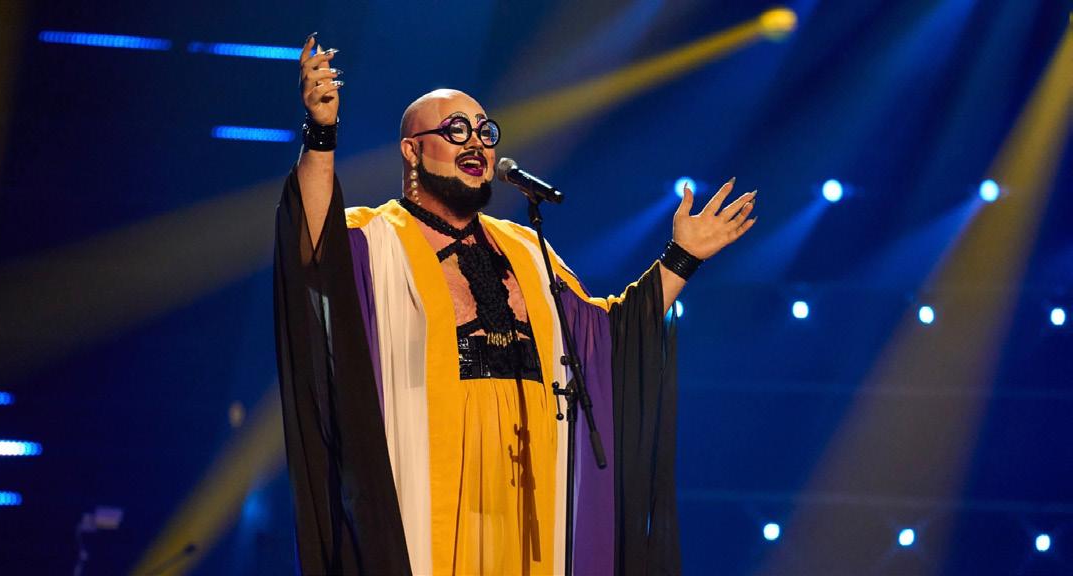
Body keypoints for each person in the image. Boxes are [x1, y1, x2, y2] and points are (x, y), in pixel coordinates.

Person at [274, 35, 757, 576]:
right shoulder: (374, 237)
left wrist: (681, 258)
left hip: (531, 488)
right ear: (412, 150)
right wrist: (321, 133)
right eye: (456, 130)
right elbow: (311, 240)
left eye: (485, 132)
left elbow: (604, 335)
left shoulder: (526, 248)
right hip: (430, 482)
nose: (476, 144)